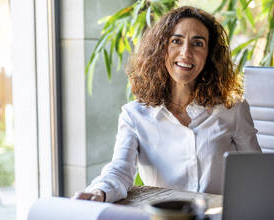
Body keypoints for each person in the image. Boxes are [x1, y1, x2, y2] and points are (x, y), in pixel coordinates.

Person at [73, 6, 261, 203]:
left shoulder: (233, 110)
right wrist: (99, 192)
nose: (186, 52)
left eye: (198, 43)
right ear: (162, 48)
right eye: (176, 41)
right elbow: (120, 169)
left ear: (209, 55)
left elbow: (257, 174)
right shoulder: (134, 115)